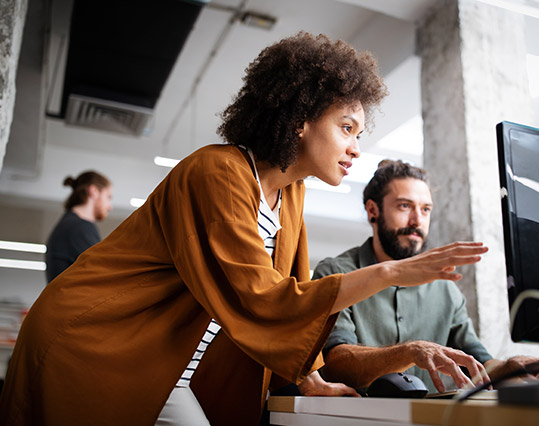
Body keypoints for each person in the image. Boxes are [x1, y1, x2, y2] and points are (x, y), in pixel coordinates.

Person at [0, 33, 488, 426]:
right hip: (97, 342)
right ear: (300, 119)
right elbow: (262, 299)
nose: (356, 147)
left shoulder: (290, 193)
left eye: (359, 134)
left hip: (167, 367)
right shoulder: (218, 172)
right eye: (346, 128)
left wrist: (312, 379)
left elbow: (292, 297)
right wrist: (390, 273)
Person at [313, 159, 537, 395]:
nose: (417, 221)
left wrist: (512, 367)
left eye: (425, 209)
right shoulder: (336, 273)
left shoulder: (445, 287)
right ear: (373, 210)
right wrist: (410, 352)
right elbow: (334, 364)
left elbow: (478, 364)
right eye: (404, 206)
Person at [45, 170, 113, 283]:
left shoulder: (71, 224)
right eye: (108, 197)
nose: (110, 207)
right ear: (94, 191)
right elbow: (102, 274)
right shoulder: (78, 227)